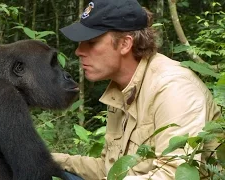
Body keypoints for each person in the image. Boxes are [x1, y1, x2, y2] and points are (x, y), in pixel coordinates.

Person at [52, 0, 221, 179]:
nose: (79, 51)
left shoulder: (173, 89)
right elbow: (110, 170)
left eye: (91, 42)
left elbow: (174, 175)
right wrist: (49, 158)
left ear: (125, 44)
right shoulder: (121, 90)